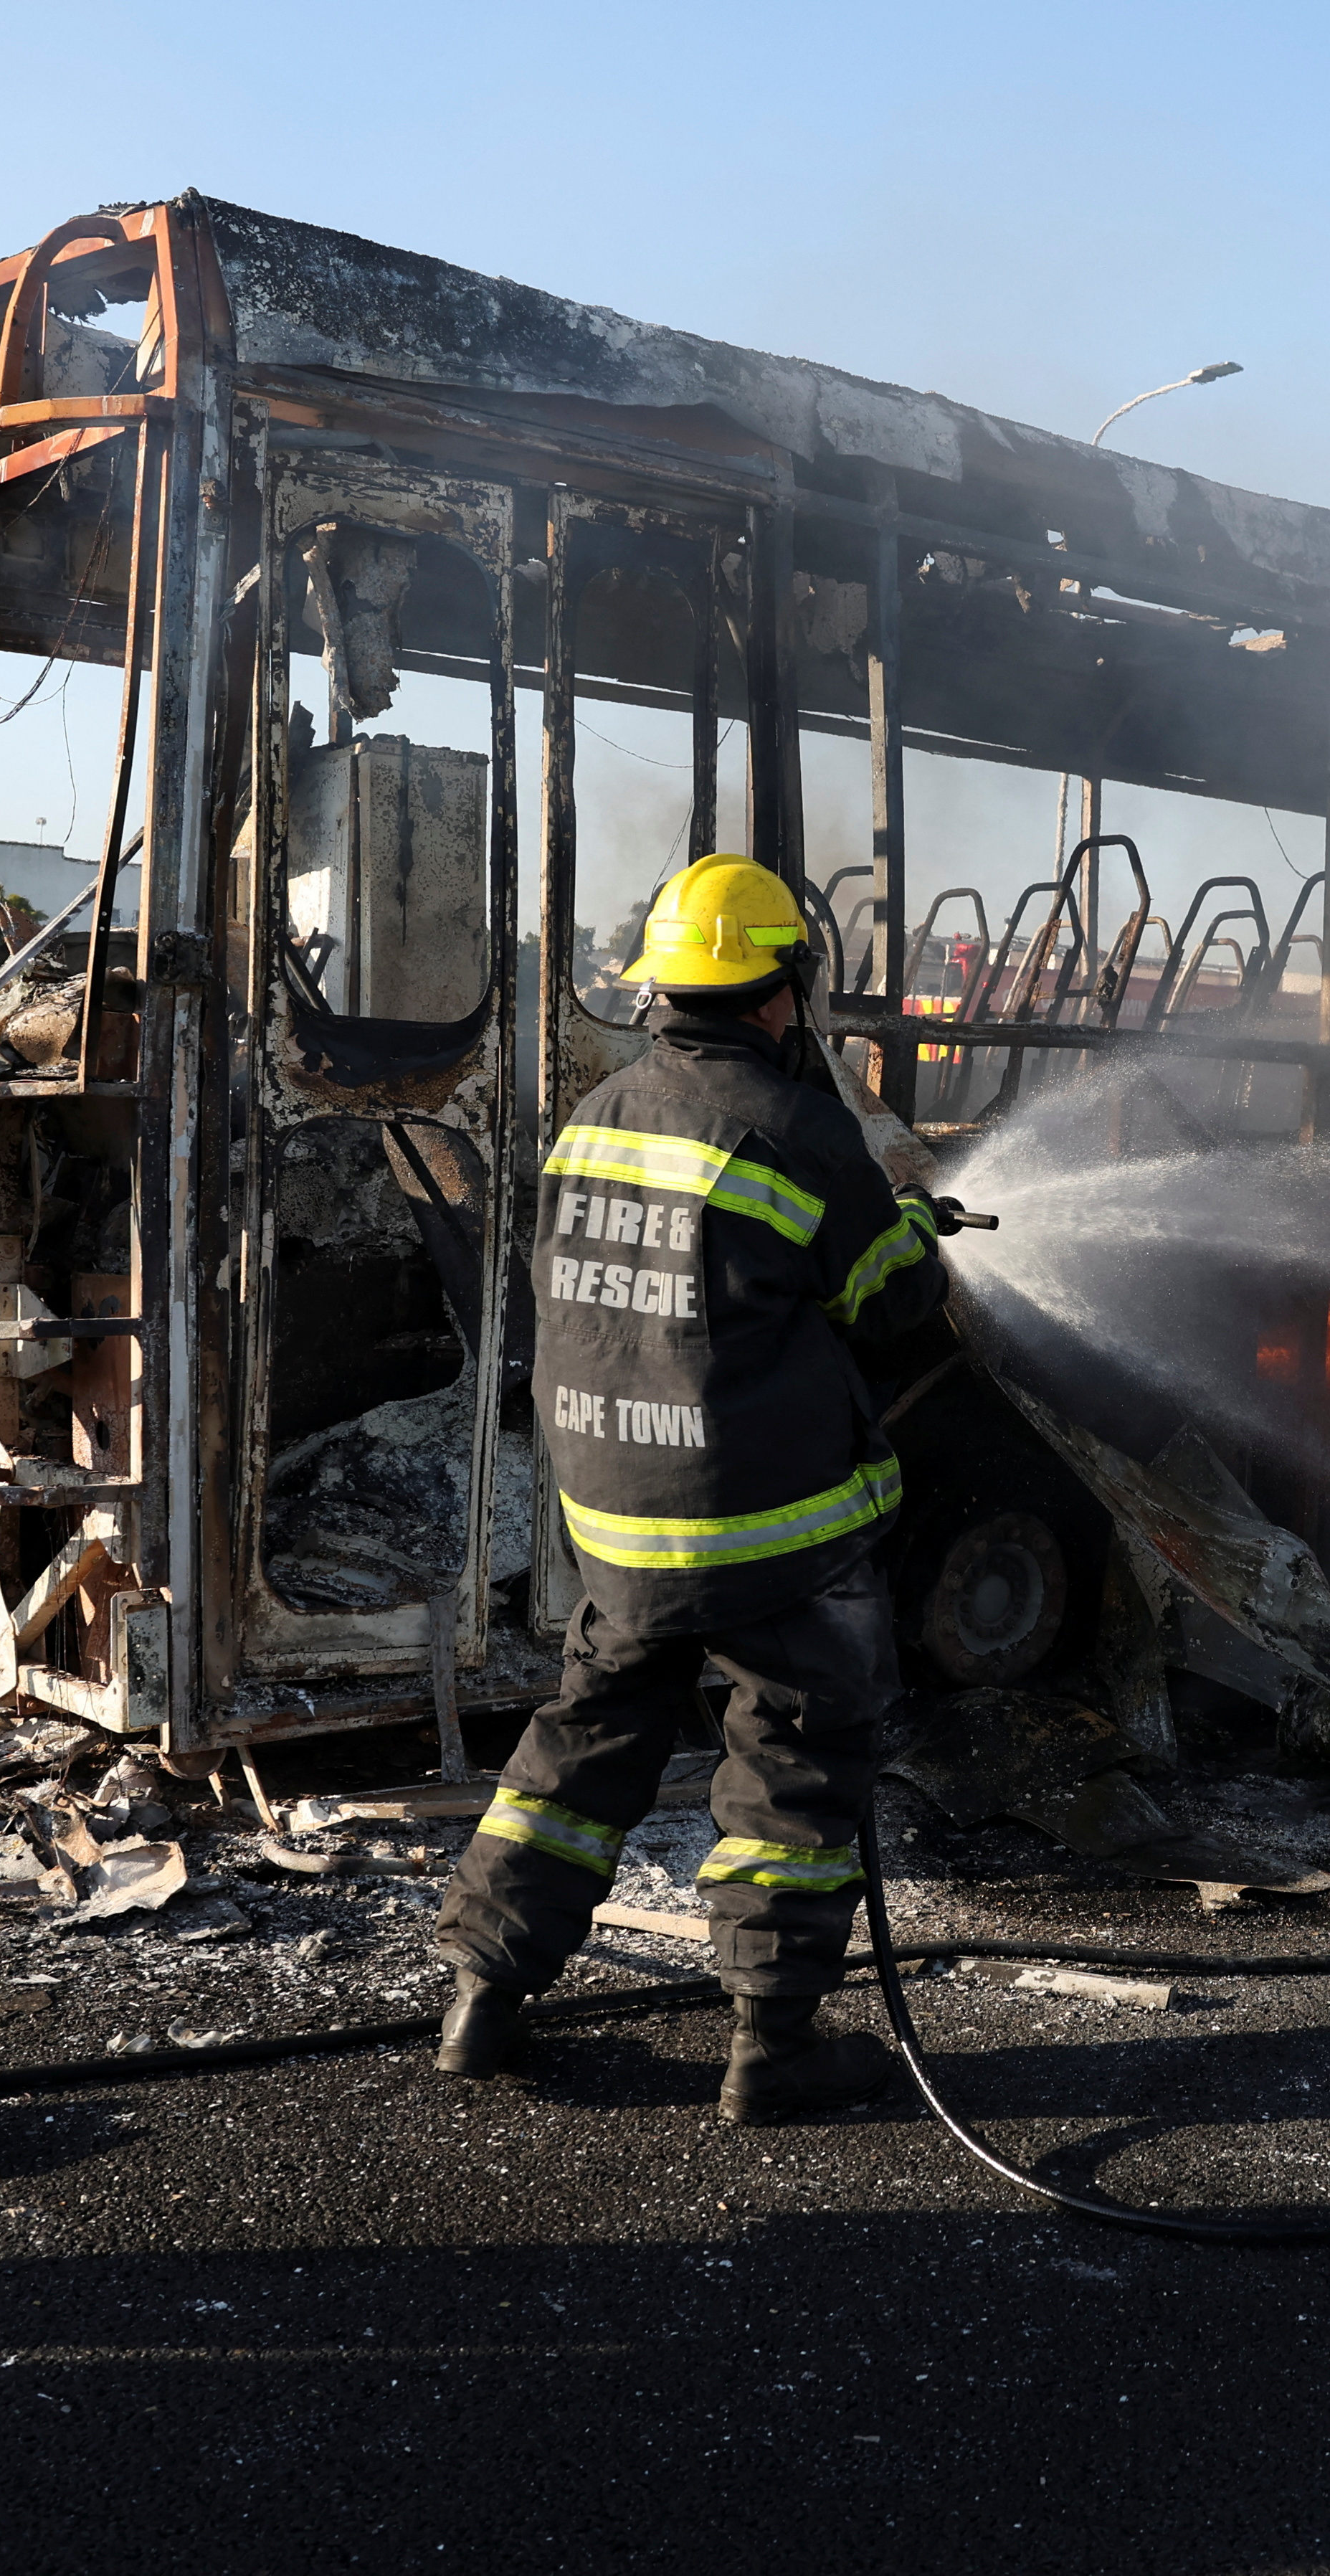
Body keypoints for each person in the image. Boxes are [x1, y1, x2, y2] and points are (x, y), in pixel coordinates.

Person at [434, 853, 950, 2121]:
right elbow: (896, 1312)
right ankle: (771, 2048)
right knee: (793, 1752)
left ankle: (479, 2005)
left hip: (617, 1514)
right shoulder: (797, 1129)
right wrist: (914, 1227)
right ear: (784, 987)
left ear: (662, 987)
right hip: (773, 1523)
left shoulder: (595, 1116)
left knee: (584, 1740)